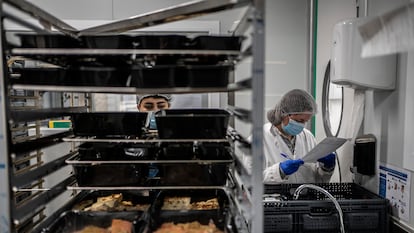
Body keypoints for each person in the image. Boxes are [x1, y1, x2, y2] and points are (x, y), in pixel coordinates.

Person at [246, 89, 336, 183]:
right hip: (274, 197)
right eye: (299, 121)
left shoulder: (308, 137)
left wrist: (326, 168)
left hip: (306, 196)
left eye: (306, 121)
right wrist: (279, 172)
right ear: (284, 114)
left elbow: (317, 180)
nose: (302, 125)